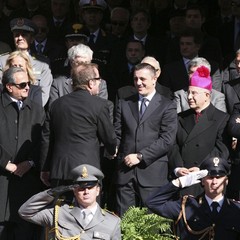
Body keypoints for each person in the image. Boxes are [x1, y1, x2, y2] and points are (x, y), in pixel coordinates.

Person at [114, 62, 178, 216]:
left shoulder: (167, 105)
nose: (138, 83)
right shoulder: (124, 103)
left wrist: (141, 156)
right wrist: (113, 148)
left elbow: (167, 140)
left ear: (154, 79)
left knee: (151, 225)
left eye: (143, 79)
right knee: (126, 224)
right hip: (125, 172)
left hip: (152, 173)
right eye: (135, 79)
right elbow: (117, 133)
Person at [40, 63, 117, 187]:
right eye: (98, 80)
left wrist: (44, 168)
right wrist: (112, 149)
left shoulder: (56, 105)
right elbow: (109, 137)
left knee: (61, 206)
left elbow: (47, 139)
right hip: (88, 171)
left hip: (60, 171)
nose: (100, 83)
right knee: (87, 206)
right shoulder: (100, 105)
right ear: (91, 83)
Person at [169, 65, 230, 197]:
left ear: (207, 95)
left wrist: (203, 167)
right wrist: (178, 167)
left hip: (206, 179)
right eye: (188, 93)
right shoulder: (180, 117)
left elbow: (222, 149)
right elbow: (173, 145)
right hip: (182, 179)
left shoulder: (221, 118)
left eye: (194, 93)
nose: (189, 97)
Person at [0, 67, 45, 240]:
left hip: (27, 181)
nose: (28, 88)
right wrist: (5, 162)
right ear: (9, 86)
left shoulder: (36, 110)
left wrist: (30, 162)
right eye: (23, 84)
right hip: (2, 179)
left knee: (24, 230)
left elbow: (43, 141)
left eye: (29, 84)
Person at [146, 156, 240, 240]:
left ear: (226, 181)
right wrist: (178, 183)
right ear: (202, 181)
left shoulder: (236, 209)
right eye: (210, 177)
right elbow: (152, 202)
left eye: (218, 177)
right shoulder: (186, 205)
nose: (214, 182)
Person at [19, 164, 121, 240]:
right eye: (81, 188)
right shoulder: (59, 212)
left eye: (90, 188)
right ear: (74, 191)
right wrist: (51, 193)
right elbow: (25, 212)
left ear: (98, 190)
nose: (86, 192)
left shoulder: (112, 222)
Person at [0, 17, 53, 107]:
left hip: (32, 113)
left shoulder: (43, 63)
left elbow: (43, 93)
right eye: (16, 35)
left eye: (24, 35)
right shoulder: (2, 61)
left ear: (32, 39)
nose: (20, 38)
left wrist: (28, 112)